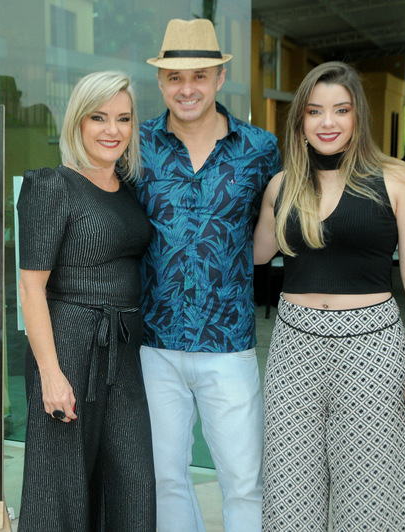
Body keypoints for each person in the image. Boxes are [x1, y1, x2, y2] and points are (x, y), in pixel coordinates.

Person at [253, 61, 405, 531]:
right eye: (314, 111)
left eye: (341, 109)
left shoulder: (397, 180)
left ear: (358, 117)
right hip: (294, 346)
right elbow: (256, 254)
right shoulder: (283, 186)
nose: (328, 122)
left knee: (371, 492)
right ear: (300, 121)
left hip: (372, 347)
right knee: (289, 488)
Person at [137, 18, 281, 532]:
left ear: (221, 78)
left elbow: (277, 229)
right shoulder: (137, 145)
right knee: (165, 476)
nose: (187, 88)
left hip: (228, 342)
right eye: (175, 78)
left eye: (199, 76)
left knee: (243, 479)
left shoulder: (260, 150)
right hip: (155, 341)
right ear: (160, 83)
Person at [16, 71, 155, 532]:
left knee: (131, 484)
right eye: (99, 117)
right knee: (61, 488)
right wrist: (51, 377)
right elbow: (31, 286)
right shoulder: (52, 186)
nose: (112, 130)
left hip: (123, 354)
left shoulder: (129, 189)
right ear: (78, 121)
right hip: (71, 348)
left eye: (123, 118)